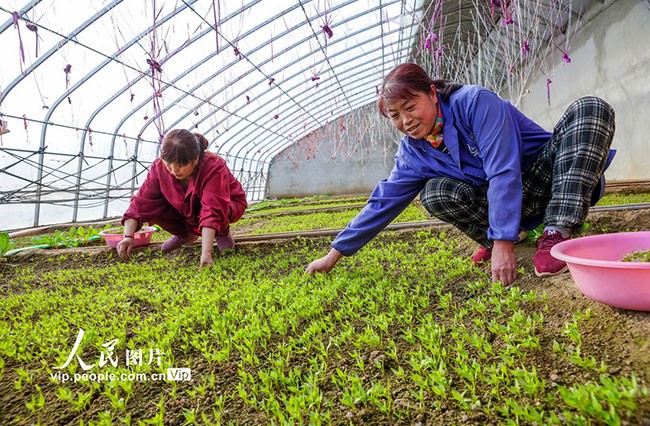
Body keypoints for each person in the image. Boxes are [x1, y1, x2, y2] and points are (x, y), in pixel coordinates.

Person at [306, 63, 615, 285]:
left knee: (590, 108)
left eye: (410, 107)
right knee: (434, 193)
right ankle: (502, 238)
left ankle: (555, 234)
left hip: (545, 180)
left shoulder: (474, 103)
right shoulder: (413, 151)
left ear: (431, 93)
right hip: (510, 207)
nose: (406, 121)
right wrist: (334, 254)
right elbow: (383, 202)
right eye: (395, 116)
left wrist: (504, 243)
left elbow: (504, 170)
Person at [117, 129, 247, 268]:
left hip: (228, 203)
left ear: (196, 159)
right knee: (154, 205)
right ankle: (184, 234)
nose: (174, 170)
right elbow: (141, 202)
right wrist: (128, 237)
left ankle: (222, 232)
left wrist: (206, 254)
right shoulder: (159, 168)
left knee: (217, 207)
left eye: (180, 165)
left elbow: (212, 208)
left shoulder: (213, 166)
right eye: (169, 164)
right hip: (185, 206)